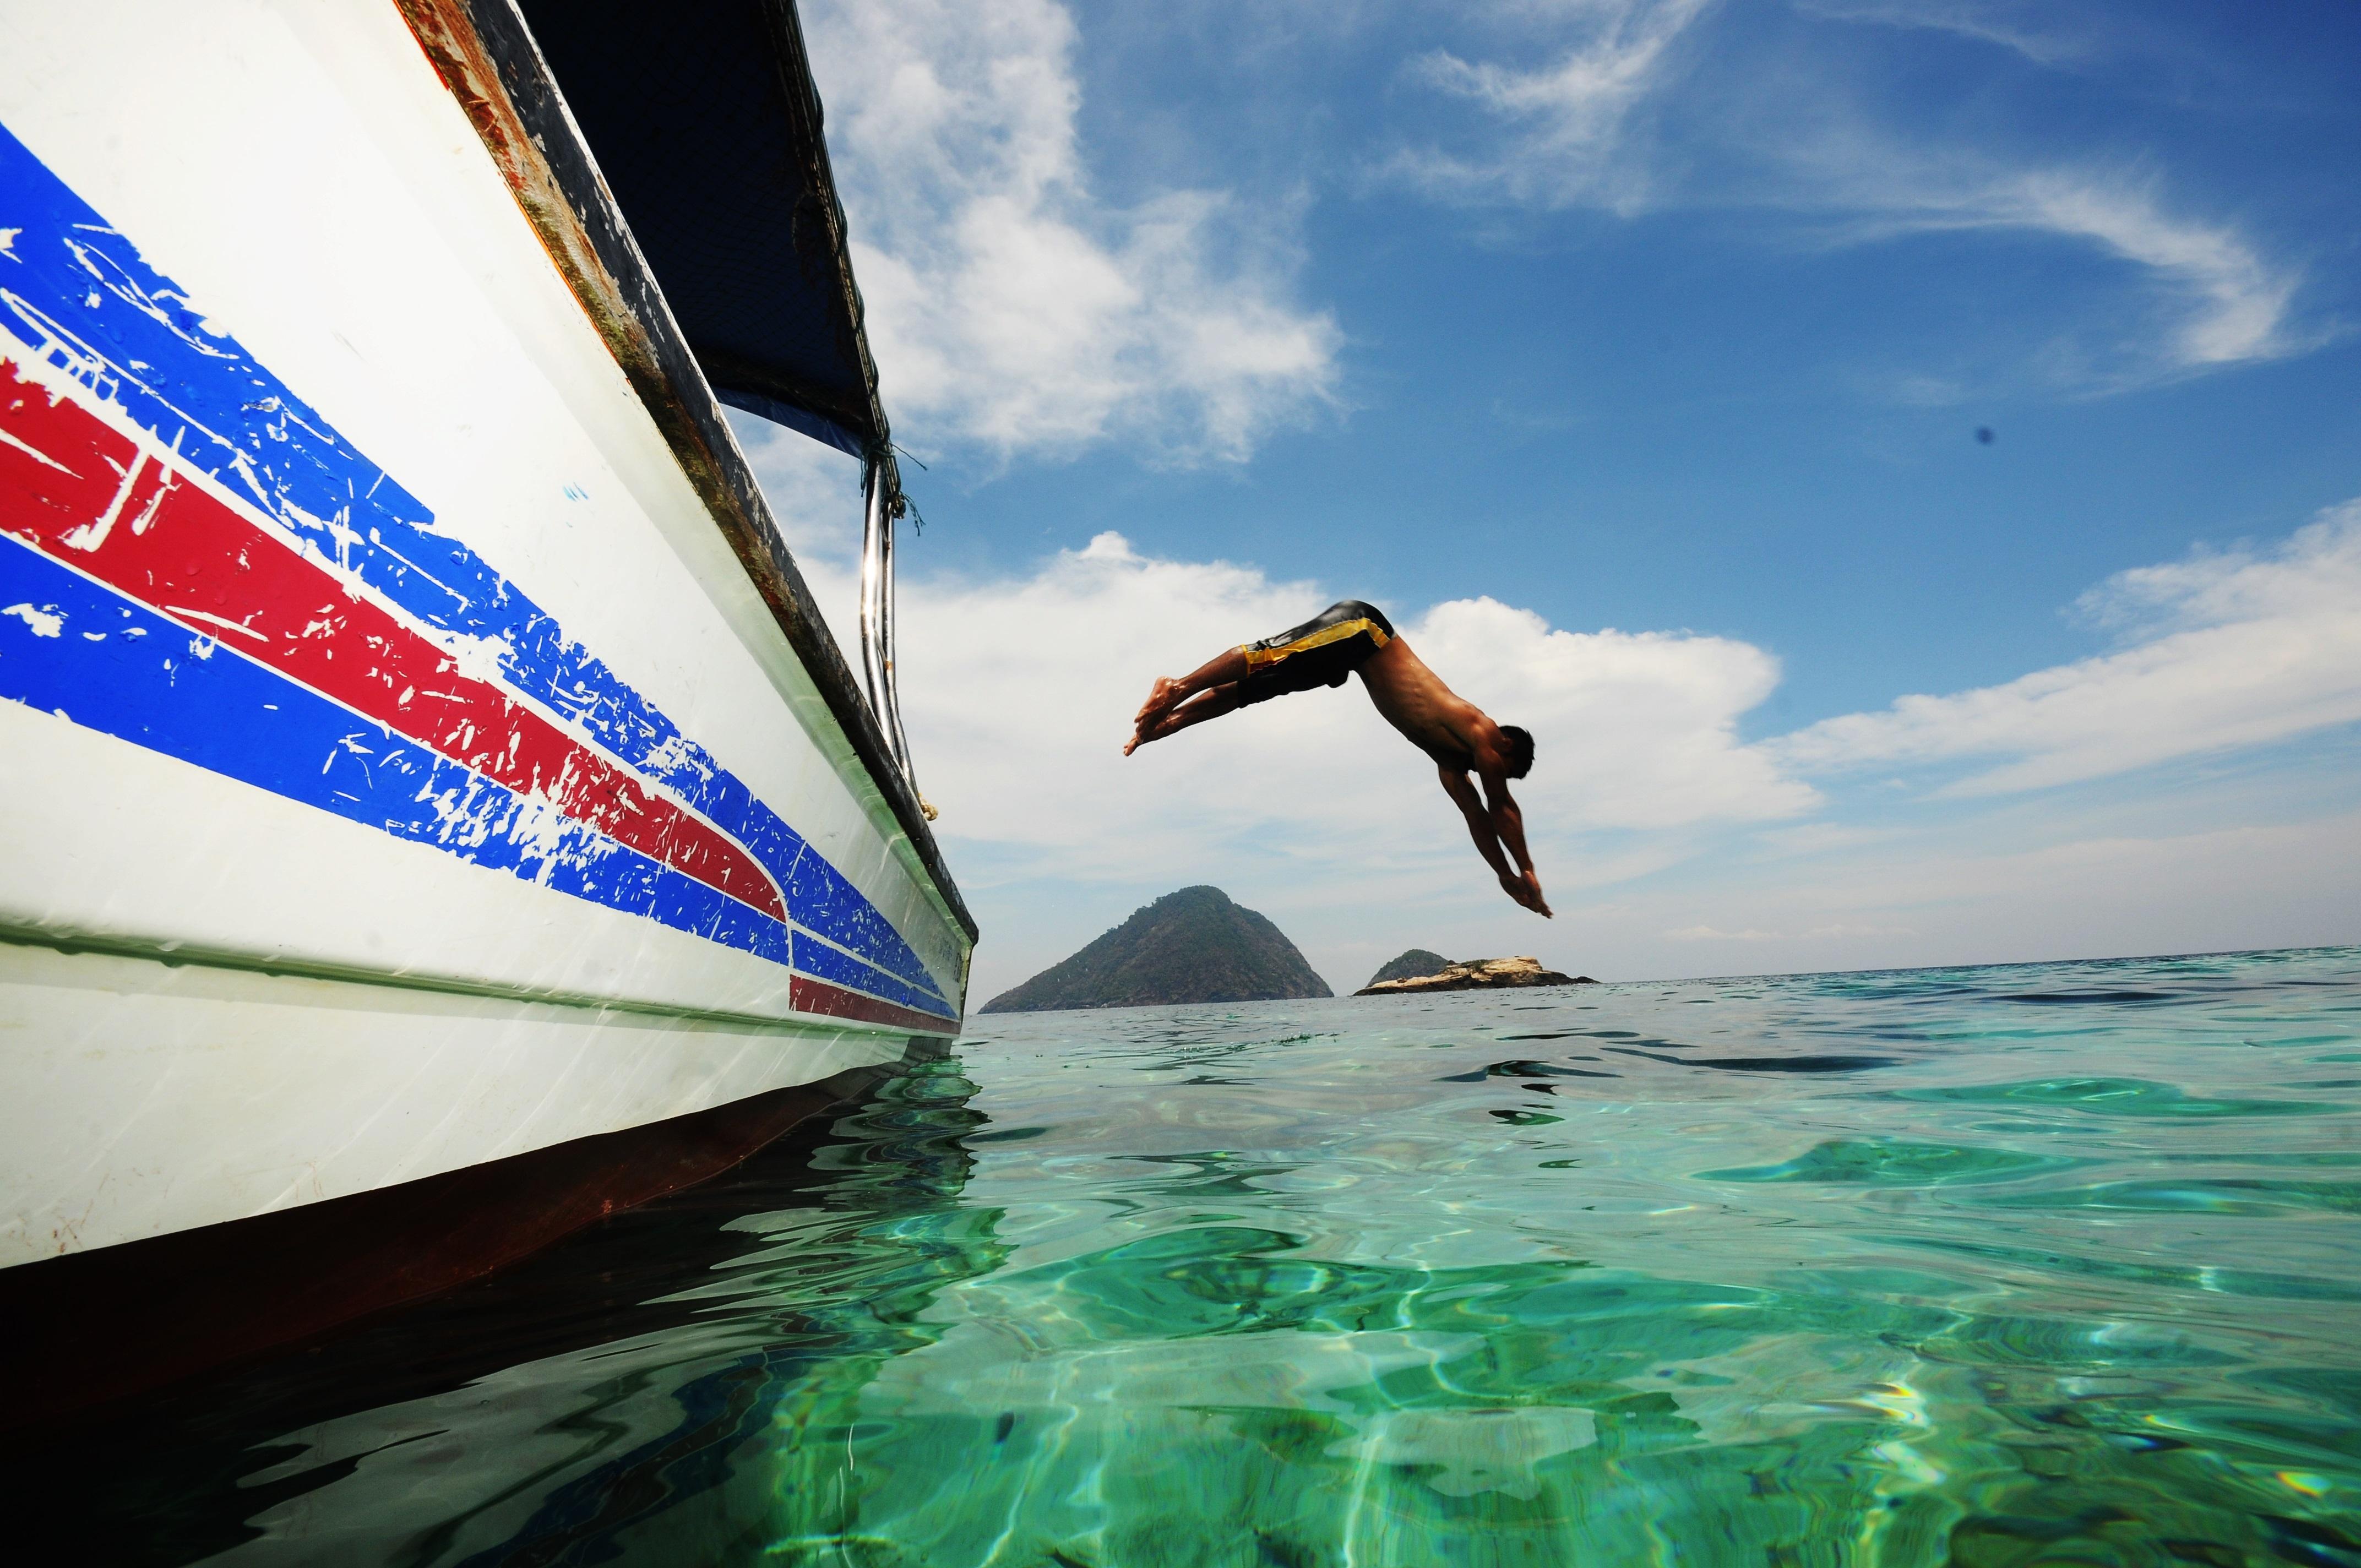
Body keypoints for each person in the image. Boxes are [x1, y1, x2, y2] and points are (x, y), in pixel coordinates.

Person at [1125, 601, 1549, 916]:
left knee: (1260, 688)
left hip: (1350, 662)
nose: (1492, 773)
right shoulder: (1484, 733)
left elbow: (1477, 817)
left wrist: (1504, 875)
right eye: (1506, 772)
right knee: (1271, 654)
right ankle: (1178, 687)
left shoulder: (1450, 763)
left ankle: (1168, 723)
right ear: (1508, 747)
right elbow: (1500, 807)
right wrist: (1527, 868)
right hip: (1364, 632)